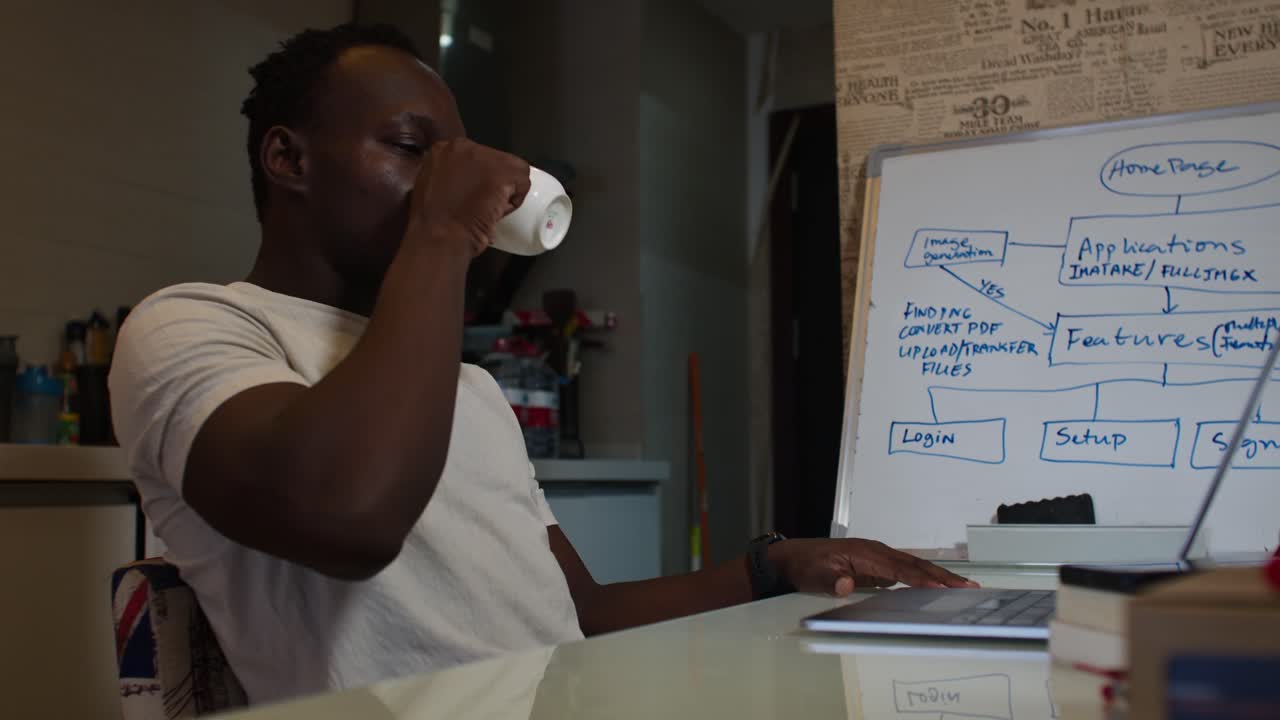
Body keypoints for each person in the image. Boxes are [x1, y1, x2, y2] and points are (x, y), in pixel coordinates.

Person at [109, 23, 975, 706]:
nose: (447, 182)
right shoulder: (195, 325)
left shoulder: (468, 390)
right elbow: (350, 518)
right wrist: (445, 231)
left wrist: (767, 566)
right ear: (288, 159)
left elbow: (580, 617)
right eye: (415, 151)